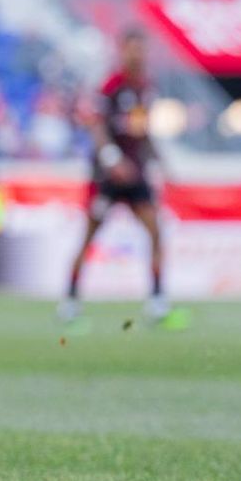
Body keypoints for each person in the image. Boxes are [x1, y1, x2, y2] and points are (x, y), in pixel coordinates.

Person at [61, 28, 180, 329]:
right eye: (132, 48)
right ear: (121, 50)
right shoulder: (111, 85)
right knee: (89, 237)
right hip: (108, 177)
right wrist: (112, 159)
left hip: (136, 174)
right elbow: (96, 126)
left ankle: (157, 300)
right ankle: (71, 300)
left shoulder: (146, 88)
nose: (137, 54)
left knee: (155, 231)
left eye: (141, 48)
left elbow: (143, 132)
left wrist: (160, 160)